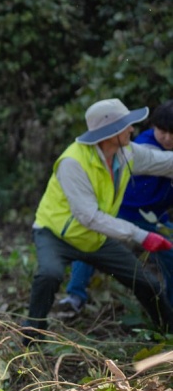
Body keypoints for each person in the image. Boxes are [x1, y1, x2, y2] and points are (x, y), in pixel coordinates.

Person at [24, 98, 173, 339]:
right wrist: (142, 236)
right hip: (56, 234)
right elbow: (89, 217)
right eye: (126, 126)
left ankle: (168, 334)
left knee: (148, 284)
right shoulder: (73, 162)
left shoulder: (127, 153)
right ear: (110, 132)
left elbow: (166, 163)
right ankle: (31, 337)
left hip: (93, 239)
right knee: (49, 275)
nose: (132, 129)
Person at [60, 100, 173, 313]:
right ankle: (74, 296)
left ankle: (168, 311)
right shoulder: (140, 145)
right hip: (123, 211)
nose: (166, 138)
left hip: (156, 218)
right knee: (92, 242)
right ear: (153, 128)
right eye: (162, 131)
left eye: (172, 133)